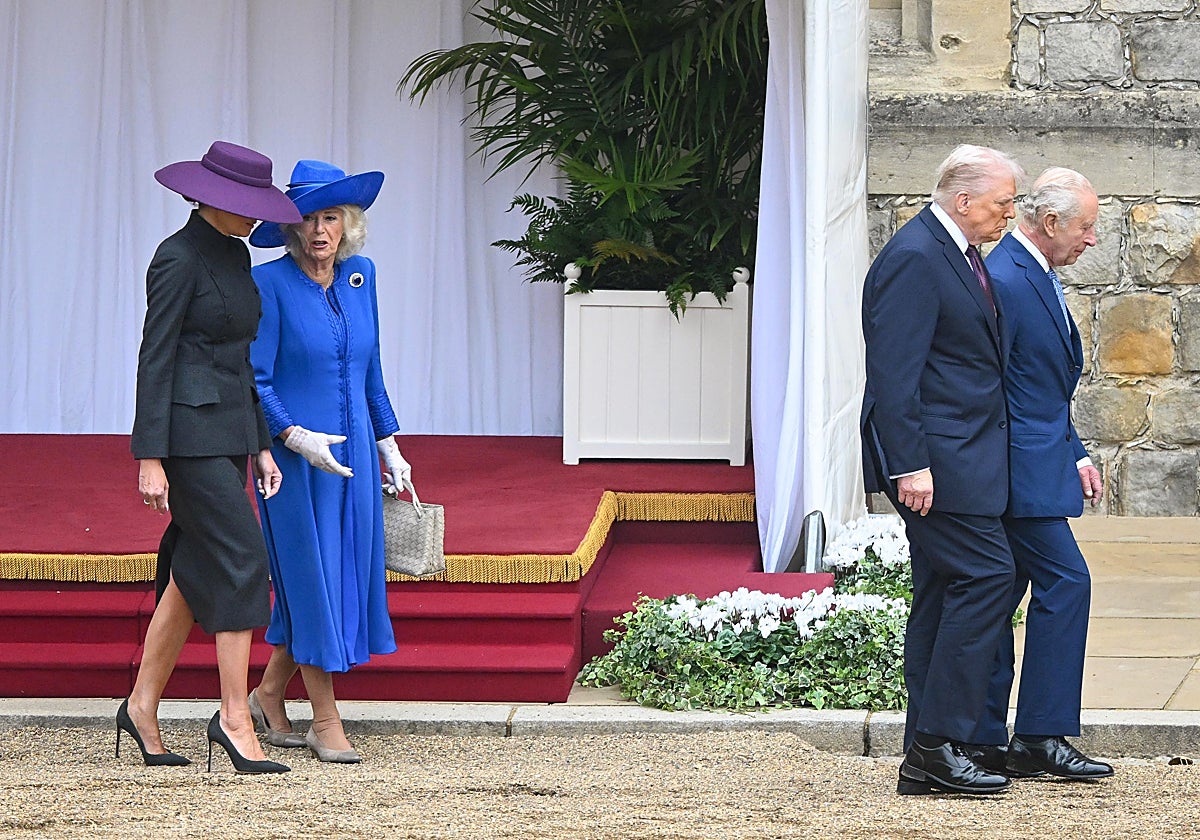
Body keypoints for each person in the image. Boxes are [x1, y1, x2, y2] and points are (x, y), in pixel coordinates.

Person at [124, 140, 301, 774]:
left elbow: (242, 362)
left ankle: (142, 706)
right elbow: (156, 358)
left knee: (190, 574)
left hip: (230, 436)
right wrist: (150, 456)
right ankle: (232, 718)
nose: (254, 216)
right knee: (242, 559)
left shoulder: (234, 254)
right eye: (243, 205)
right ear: (209, 199)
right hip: (186, 441)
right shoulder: (175, 258)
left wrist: (259, 444)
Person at [860, 144, 1024, 796]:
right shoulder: (915, 258)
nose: (1008, 214)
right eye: (1001, 202)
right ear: (963, 200)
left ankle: (926, 752)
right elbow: (893, 377)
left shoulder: (953, 251)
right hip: (936, 466)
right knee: (989, 575)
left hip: (962, 459)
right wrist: (909, 466)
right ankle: (936, 743)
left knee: (940, 591)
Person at [245, 159, 411, 764]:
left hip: (356, 462)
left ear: (349, 224)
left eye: (331, 217)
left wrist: (389, 443)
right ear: (292, 227)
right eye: (309, 219)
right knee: (313, 582)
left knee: (333, 578)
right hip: (293, 467)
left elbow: (372, 372)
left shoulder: (361, 277)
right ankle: (324, 718)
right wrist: (291, 436)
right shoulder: (270, 285)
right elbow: (256, 379)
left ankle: (266, 694)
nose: (320, 230)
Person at [966, 168, 1114, 781]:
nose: (1092, 240)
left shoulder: (1033, 273)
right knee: (1066, 583)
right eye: (1085, 228)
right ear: (1050, 223)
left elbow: (1041, 384)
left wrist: (1075, 449)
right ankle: (1039, 735)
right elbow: (995, 389)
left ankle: (986, 735)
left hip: (1037, 459)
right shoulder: (1008, 277)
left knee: (1006, 594)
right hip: (1016, 471)